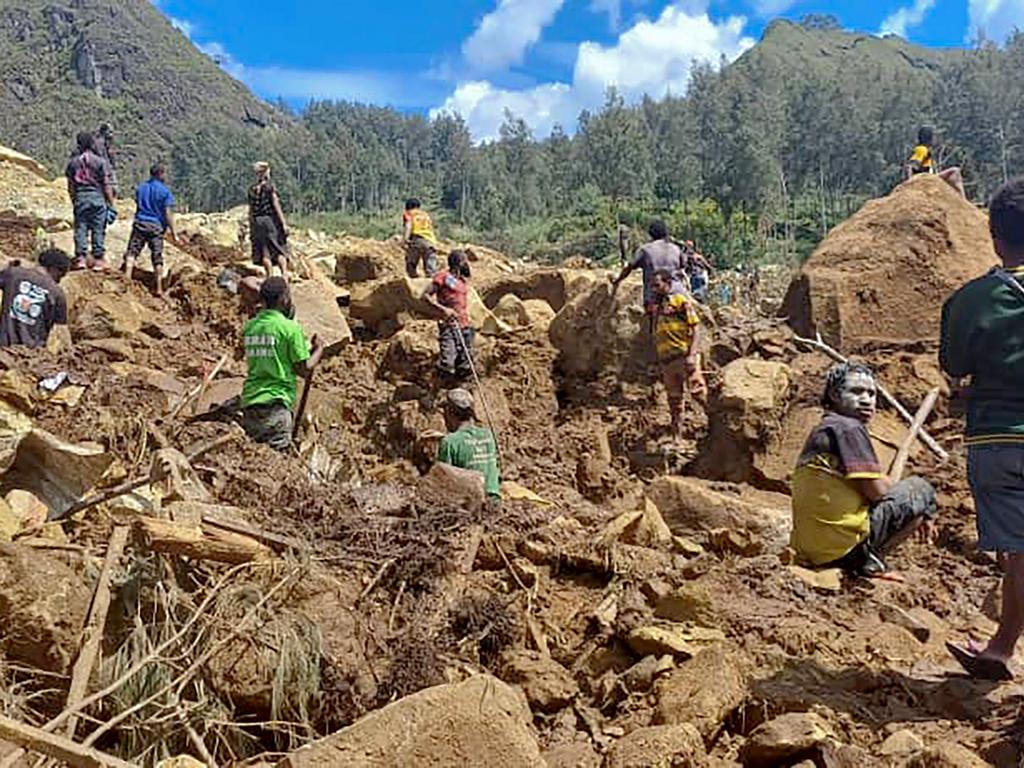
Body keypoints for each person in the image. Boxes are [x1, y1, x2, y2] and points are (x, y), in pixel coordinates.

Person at [940, 176, 1024, 680]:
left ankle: (1001, 648)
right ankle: (1000, 646)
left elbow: (954, 362)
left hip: (1000, 438)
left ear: (994, 237)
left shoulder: (975, 298)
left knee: (1019, 549)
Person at [790, 362, 937, 578]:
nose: (867, 399)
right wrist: (927, 507)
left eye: (872, 393)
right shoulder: (848, 428)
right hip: (844, 551)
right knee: (921, 488)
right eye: (857, 391)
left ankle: (869, 559)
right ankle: (869, 561)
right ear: (834, 394)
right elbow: (877, 493)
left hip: (813, 552)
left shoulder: (827, 427)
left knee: (915, 507)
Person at [241, 277, 324, 451]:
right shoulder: (289, 329)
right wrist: (319, 350)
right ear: (284, 299)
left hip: (249, 405)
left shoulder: (250, 327)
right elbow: (304, 369)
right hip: (276, 406)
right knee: (277, 463)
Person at [652, 270, 706, 438]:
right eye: (653, 285)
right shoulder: (658, 307)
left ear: (667, 283)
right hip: (668, 361)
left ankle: (717, 428)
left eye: (657, 285)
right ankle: (677, 436)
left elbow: (696, 327)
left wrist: (692, 354)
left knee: (698, 392)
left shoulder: (680, 301)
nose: (654, 288)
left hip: (684, 356)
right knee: (674, 400)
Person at [611, 220, 689, 331]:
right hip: (678, 292)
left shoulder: (645, 250)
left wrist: (618, 280)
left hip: (654, 296)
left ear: (650, 234)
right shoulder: (675, 248)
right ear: (666, 233)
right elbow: (683, 265)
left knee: (655, 328)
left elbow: (630, 267)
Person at [438, 388, 501, 504]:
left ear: (449, 413)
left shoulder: (450, 442)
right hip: (493, 498)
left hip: (470, 503)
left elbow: (444, 482)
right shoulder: (488, 435)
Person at [123, 163, 177, 296]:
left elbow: (138, 203)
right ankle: (158, 288)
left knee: (132, 253)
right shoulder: (165, 192)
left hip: (140, 223)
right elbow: (167, 213)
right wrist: (174, 232)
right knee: (157, 257)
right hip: (156, 227)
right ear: (161, 174)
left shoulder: (141, 188)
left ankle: (126, 280)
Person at [0, 249, 70, 348]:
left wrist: (7, 266)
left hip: (4, 349)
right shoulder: (57, 294)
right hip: (34, 355)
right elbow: (60, 330)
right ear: (54, 269)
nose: (59, 281)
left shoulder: (13, 274)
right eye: (61, 276)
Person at [65, 132, 114, 271]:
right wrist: (110, 203)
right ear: (92, 144)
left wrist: (74, 200)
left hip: (81, 197)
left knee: (81, 228)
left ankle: (81, 258)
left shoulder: (73, 163)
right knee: (98, 229)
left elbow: (71, 186)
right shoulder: (100, 162)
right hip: (97, 198)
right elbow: (106, 184)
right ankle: (98, 260)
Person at [422, 250, 473, 380]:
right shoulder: (443, 276)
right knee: (447, 364)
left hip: (465, 325)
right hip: (449, 325)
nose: (467, 264)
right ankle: (433, 389)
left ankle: (459, 393)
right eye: (465, 261)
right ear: (459, 262)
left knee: (465, 367)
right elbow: (425, 296)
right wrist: (444, 310)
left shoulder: (462, 281)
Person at [248, 162, 290, 279]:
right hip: (270, 221)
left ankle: (269, 277)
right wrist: (283, 224)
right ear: (265, 172)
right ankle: (285, 276)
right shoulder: (269, 187)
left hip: (257, 222)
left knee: (264, 250)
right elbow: (276, 205)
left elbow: (251, 211)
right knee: (279, 249)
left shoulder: (252, 189)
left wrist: (252, 228)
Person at [907, 125, 966, 199]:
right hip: (926, 179)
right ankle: (963, 200)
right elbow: (911, 165)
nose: (935, 139)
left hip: (928, 178)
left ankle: (958, 200)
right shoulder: (922, 150)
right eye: (934, 136)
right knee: (955, 171)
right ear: (929, 138)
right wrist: (911, 183)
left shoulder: (925, 150)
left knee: (952, 178)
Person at [402, 198, 439, 278]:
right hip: (430, 242)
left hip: (417, 240)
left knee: (411, 264)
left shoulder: (409, 213)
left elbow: (408, 225)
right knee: (431, 268)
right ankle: (433, 285)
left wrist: (405, 239)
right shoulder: (425, 215)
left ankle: (414, 283)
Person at [94, 122, 118, 195]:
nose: (111, 134)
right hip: (103, 171)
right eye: (110, 131)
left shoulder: (108, 143)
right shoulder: (99, 143)